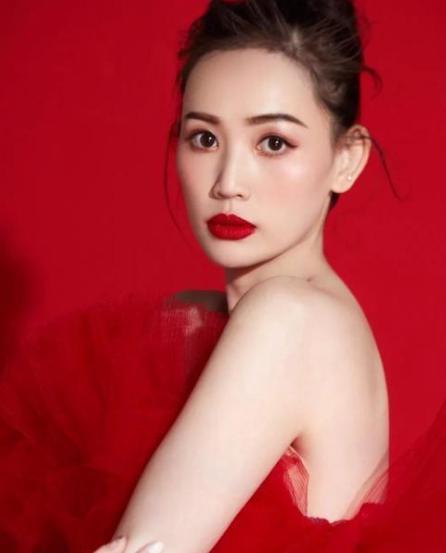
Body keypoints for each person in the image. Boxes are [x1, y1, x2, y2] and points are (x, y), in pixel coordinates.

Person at [1, 1, 446, 552]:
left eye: (274, 142)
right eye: (205, 138)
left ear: (346, 158)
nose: (228, 182)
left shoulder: (291, 319)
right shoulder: (211, 319)